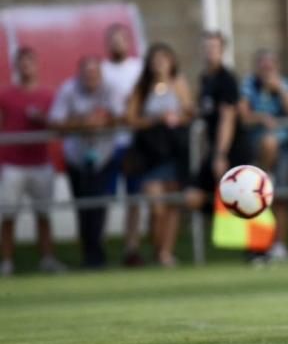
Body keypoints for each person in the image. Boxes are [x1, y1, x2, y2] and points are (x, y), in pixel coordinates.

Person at [50, 56, 124, 269]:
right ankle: (88, 255)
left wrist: (103, 120)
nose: (91, 77)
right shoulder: (68, 89)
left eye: (95, 73)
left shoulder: (111, 88)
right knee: (82, 206)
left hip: (104, 155)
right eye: (87, 73)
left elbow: (122, 116)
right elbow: (56, 121)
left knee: (100, 203)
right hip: (77, 156)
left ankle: (98, 255)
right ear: (80, 73)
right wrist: (82, 123)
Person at [126, 42, 193, 267]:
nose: (160, 64)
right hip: (150, 153)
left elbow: (188, 112)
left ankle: (166, 252)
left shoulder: (178, 83)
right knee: (157, 206)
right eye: (156, 60)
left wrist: (175, 117)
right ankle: (157, 246)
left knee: (172, 204)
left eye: (164, 59)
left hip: (173, 151)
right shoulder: (143, 87)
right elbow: (131, 119)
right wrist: (155, 120)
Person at [0, 48, 65, 276]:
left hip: (40, 163)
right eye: (22, 62)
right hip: (12, 164)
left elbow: (58, 125)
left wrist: (42, 119)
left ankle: (47, 259)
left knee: (44, 215)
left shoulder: (49, 95)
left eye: (30, 61)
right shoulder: (5, 95)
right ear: (16, 66)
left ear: (36, 65)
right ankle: (6, 263)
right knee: (8, 215)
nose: (26, 66)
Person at [242, 49, 288, 260]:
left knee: (281, 198)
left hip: (283, 148)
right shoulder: (249, 85)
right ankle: (259, 246)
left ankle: (279, 244)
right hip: (256, 148)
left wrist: (280, 91)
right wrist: (261, 117)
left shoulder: (285, 84)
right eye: (262, 64)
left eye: (270, 64)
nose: (267, 69)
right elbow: (244, 115)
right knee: (255, 200)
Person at [192, 32, 253, 219]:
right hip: (215, 146)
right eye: (207, 47)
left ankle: (260, 245)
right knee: (195, 195)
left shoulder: (226, 79)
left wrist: (220, 154)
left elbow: (228, 118)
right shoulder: (205, 79)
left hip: (231, 147)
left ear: (222, 50)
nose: (210, 52)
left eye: (214, 47)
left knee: (245, 200)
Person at [100, 23, 146, 266]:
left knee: (134, 198)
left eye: (121, 39)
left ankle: (131, 247)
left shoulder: (138, 68)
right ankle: (100, 248)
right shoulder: (102, 70)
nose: (118, 43)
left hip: (133, 143)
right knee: (104, 197)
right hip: (107, 144)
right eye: (113, 39)